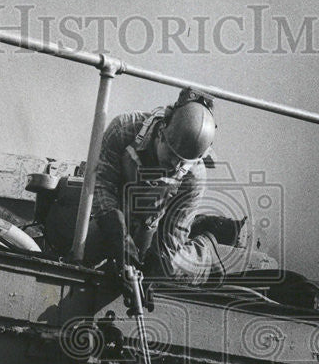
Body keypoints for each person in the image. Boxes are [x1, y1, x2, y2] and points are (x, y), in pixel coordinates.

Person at [83, 87, 249, 287]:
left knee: (166, 267)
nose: (176, 166)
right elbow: (102, 185)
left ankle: (204, 251)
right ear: (161, 133)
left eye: (183, 162)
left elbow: (171, 236)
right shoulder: (124, 129)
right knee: (86, 246)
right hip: (116, 214)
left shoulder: (194, 175)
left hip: (155, 225)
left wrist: (148, 276)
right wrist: (119, 238)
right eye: (172, 156)